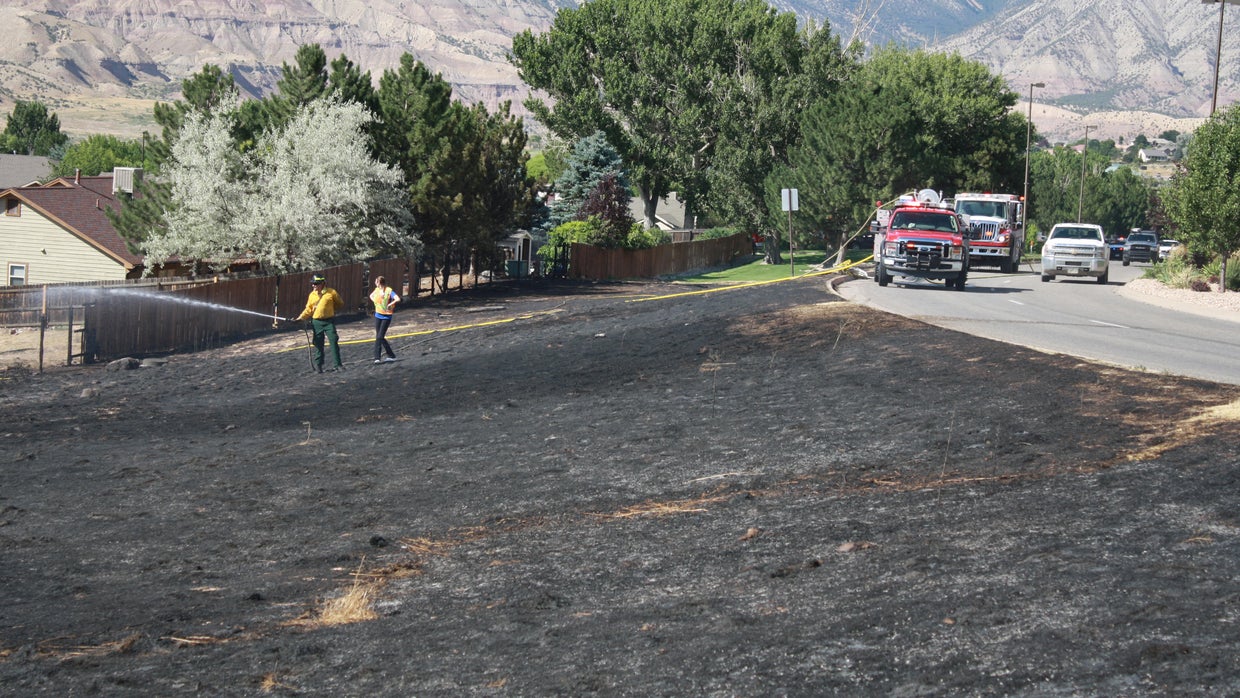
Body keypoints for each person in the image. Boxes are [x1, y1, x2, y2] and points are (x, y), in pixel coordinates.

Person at [291, 274, 345, 373]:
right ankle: (319, 365)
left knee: (333, 341)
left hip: (329, 321)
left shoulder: (331, 292)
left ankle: (338, 365)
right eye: (313, 284)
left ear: (322, 283)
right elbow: (308, 309)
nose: (313, 286)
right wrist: (300, 318)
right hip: (316, 322)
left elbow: (340, 303)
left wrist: (331, 310)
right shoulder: (312, 295)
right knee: (318, 343)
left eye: (316, 284)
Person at [369, 275, 401, 364]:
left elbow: (397, 298)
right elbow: (371, 296)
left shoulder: (388, 290)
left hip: (386, 316)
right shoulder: (376, 290)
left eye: (376, 281)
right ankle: (391, 355)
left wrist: (391, 303)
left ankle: (377, 357)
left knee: (379, 337)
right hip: (378, 315)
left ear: (379, 282)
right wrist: (376, 303)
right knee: (380, 337)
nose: (375, 283)